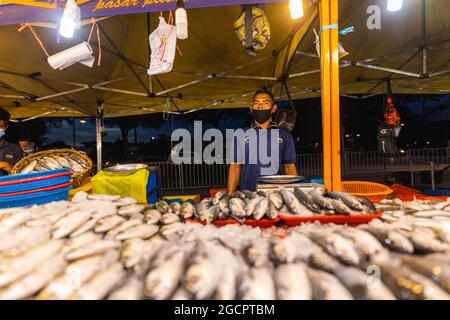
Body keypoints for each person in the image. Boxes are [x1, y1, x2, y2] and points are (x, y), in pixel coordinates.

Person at [227, 89, 298, 193]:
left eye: (266, 103)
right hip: (247, 194)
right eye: (256, 103)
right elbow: (235, 167)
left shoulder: (284, 135)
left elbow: (289, 166)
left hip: (276, 194)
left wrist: (293, 193)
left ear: (273, 108)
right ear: (251, 108)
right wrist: (230, 195)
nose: (260, 106)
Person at [0, 108, 23, 176]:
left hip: (9, 186)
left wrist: (10, 168)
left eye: (0, 126)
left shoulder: (15, 149)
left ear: (6, 127)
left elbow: (21, 176)